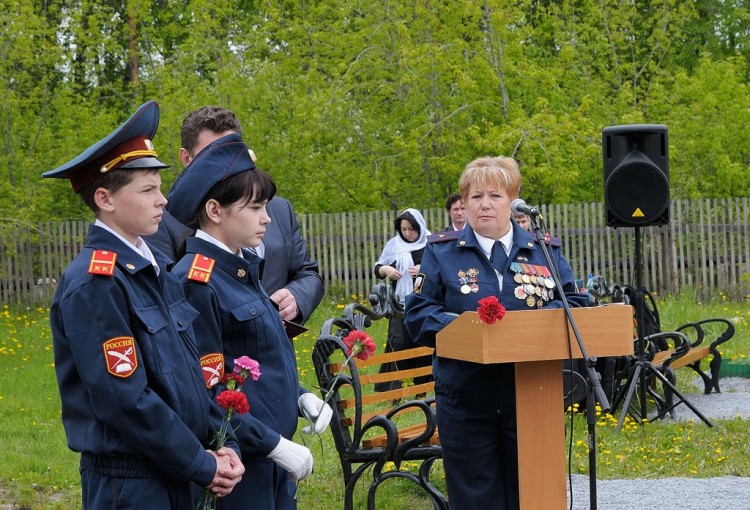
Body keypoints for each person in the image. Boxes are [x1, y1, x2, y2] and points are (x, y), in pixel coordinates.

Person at [42, 101, 244, 509]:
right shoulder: (94, 283)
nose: (163, 201)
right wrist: (200, 464)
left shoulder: (154, 271)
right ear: (105, 198)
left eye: (160, 188)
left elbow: (191, 370)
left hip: (177, 468)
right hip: (133, 483)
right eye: (148, 190)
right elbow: (125, 400)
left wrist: (224, 442)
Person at [404, 156, 588, 509]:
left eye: (494, 196)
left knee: (531, 496)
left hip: (532, 394)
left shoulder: (543, 251)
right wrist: (469, 332)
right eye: (475, 197)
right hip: (467, 397)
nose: (484, 204)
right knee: (476, 499)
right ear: (464, 204)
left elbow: (576, 304)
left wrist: (526, 328)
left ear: (513, 201)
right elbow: (418, 314)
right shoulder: (441, 252)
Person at [167, 132, 332, 509]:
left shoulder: (240, 269)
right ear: (215, 210)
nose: (267, 218)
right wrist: (271, 444)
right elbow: (205, 392)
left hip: (270, 457)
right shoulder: (197, 282)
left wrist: (298, 396)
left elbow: (247, 362)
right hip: (239, 462)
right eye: (255, 207)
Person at [145, 106, 323, 325]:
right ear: (186, 158)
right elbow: (167, 302)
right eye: (214, 154)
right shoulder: (162, 220)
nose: (227, 164)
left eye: (232, 151)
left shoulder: (278, 209)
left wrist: (296, 297)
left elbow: (307, 273)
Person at [373, 208, 432, 392]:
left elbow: (441, 269)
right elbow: (378, 268)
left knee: (422, 340)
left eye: (412, 229)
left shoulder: (430, 244)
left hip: (424, 302)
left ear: (420, 228)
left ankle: (423, 386)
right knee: (399, 341)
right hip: (399, 303)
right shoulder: (394, 245)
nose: (407, 233)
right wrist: (387, 270)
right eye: (404, 229)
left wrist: (424, 269)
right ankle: (396, 387)